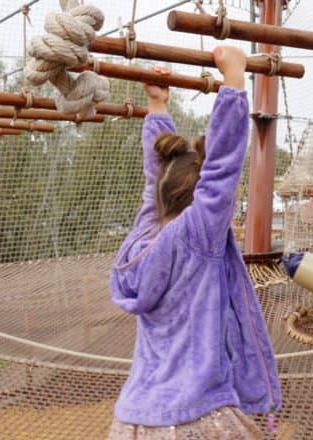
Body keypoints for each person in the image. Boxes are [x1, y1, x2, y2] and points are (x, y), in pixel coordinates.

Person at [108, 47, 281, 439]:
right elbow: (222, 167)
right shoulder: (197, 234)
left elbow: (153, 181)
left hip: (132, 419)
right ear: (198, 194)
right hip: (195, 419)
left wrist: (156, 104)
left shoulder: (143, 238)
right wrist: (234, 83)